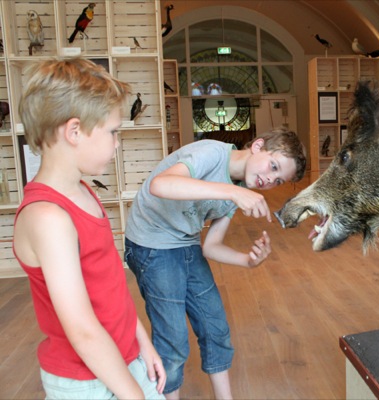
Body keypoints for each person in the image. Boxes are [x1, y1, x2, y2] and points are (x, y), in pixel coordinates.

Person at [12, 58, 166, 399]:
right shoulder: (48, 218)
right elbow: (82, 331)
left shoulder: (86, 193)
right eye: (113, 132)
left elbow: (110, 286)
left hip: (123, 360)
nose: (117, 143)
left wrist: (143, 344)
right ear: (74, 131)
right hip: (84, 382)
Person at [124, 128, 306, 399]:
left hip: (185, 242)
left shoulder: (240, 186)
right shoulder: (210, 153)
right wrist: (232, 193)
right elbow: (160, 185)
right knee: (173, 340)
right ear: (257, 146)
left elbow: (210, 246)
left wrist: (249, 260)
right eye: (273, 165)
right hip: (152, 243)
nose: (269, 179)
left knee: (215, 327)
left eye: (277, 179)